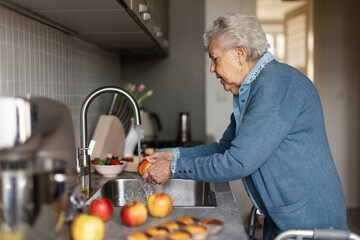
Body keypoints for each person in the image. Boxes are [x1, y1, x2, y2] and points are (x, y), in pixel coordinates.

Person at [142, 13, 348, 239]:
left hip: (310, 226)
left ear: (239, 54)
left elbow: (238, 162)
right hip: (285, 221)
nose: (212, 68)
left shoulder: (276, 85)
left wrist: (174, 168)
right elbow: (225, 149)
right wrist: (172, 156)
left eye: (215, 58)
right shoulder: (255, 89)